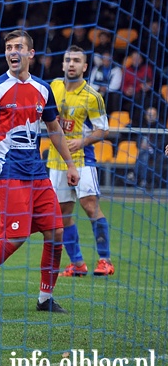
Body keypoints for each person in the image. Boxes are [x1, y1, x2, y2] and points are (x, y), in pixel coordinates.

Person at [0, 30, 79, 314]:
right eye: (9, 48)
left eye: (19, 47)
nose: (13, 52)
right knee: (15, 236)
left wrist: (71, 164)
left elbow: (54, 130)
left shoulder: (43, 89)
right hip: (9, 172)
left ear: (30, 54)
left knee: (56, 232)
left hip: (38, 173)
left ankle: (44, 299)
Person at [46, 46, 114, 278]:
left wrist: (81, 142)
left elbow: (103, 130)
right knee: (63, 213)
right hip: (56, 161)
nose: (71, 64)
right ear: (63, 65)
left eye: (76, 60)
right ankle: (77, 263)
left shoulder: (93, 96)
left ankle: (105, 260)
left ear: (84, 67)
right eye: (68, 60)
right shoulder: (53, 87)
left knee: (89, 206)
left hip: (83, 160)